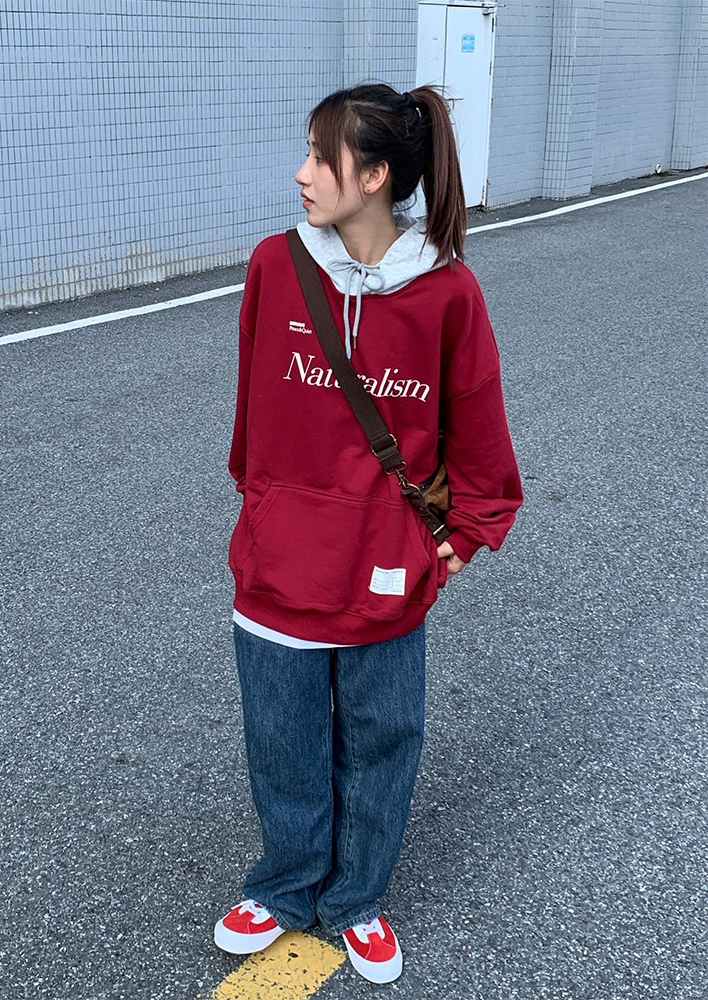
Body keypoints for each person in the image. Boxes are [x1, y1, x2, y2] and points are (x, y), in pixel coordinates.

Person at [214, 83, 523, 984]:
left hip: (386, 570)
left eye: (322, 157)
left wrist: (466, 533)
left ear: (377, 175)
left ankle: (355, 899)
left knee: (383, 744)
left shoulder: (447, 292)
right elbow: (251, 411)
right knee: (283, 743)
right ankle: (285, 886)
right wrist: (264, 507)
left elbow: (477, 422)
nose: (302, 174)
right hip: (278, 566)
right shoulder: (275, 265)